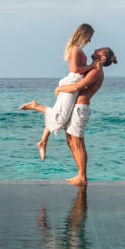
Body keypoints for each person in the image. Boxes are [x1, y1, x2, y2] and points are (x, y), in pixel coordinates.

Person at [19, 24, 101, 160]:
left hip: (76, 82)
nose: (90, 40)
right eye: (89, 37)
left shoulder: (78, 49)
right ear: (84, 35)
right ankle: (36, 106)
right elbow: (75, 69)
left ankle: (43, 142)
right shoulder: (75, 49)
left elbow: (79, 69)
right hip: (72, 82)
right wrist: (91, 66)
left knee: (59, 113)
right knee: (61, 116)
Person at [56, 47, 117, 185]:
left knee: (78, 143)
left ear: (103, 58)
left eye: (100, 50)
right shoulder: (92, 68)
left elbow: (77, 86)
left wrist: (59, 89)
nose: (96, 49)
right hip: (76, 108)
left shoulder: (96, 71)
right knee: (70, 141)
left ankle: (83, 177)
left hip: (80, 109)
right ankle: (80, 174)